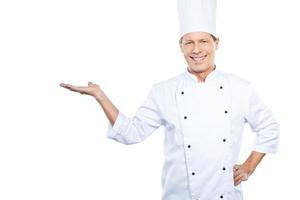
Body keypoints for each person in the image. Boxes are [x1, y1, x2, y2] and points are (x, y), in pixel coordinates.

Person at [60, 0, 280, 199]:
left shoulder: (240, 88)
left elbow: (269, 127)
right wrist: (100, 96)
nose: (196, 50)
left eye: (203, 41)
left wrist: (250, 166)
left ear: (216, 44)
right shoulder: (163, 91)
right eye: (189, 42)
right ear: (180, 46)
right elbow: (131, 133)